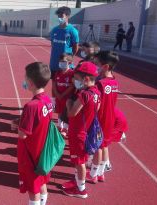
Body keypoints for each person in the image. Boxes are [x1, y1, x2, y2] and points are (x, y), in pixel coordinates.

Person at [12, 62, 53, 205]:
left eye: (25, 78)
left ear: (30, 82)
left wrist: (16, 126)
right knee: (41, 182)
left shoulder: (31, 106)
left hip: (30, 154)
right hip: (42, 152)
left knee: (32, 189)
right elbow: (40, 121)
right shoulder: (48, 100)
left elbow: (23, 135)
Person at [61, 62, 100, 199]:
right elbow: (96, 110)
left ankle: (81, 189)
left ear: (86, 79)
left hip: (78, 133)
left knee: (79, 162)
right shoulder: (96, 92)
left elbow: (71, 113)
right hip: (85, 131)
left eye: (76, 78)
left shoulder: (84, 95)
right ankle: (77, 182)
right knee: (79, 161)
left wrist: (68, 103)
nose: (74, 81)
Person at [87, 51, 119, 183]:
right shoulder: (114, 82)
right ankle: (100, 173)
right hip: (110, 118)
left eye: (97, 64)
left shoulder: (100, 83)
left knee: (97, 148)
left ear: (105, 66)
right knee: (104, 145)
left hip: (99, 119)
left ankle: (93, 174)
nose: (95, 67)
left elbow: (97, 104)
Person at [50, 6, 79, 76]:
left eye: (61, 16)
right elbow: (52, 44)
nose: (60, 18)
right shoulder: (54, 30)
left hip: (65, 62)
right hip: (54, 62)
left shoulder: (72, 31)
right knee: (54, 83)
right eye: (58, 16)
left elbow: (76, 48)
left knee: (65, 84)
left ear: (68, 16)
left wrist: (70, 58)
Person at [52, 53, 74, 137]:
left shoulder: (71, 73)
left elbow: (72, 86)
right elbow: (54, 84)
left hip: (67, 98)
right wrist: (56, 95)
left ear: (70, 62)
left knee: (66, 112)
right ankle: (59, 126)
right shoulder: (57, 73)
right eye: (60, 61)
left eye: (64, 61)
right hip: (59, 97)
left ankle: (66, 128)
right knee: (59, 111)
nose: (61, 63)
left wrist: (63, 94)